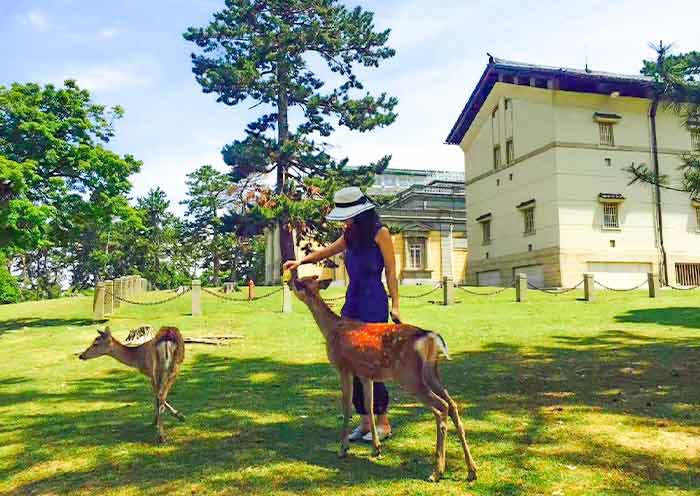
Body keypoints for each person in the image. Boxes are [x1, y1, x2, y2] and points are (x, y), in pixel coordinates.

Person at [283, 186, 400, 442]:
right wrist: (301, 262)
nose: (344, 220)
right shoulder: (350, 235)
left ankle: (383, 422)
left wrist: (396, 305)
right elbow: (327, 251)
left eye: (347, 215)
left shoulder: (381, 233)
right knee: (350, 361)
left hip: (373, 303)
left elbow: (391, 271)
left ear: (360, 213)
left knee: (370, 363)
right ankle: (365, 422)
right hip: (352, 303)